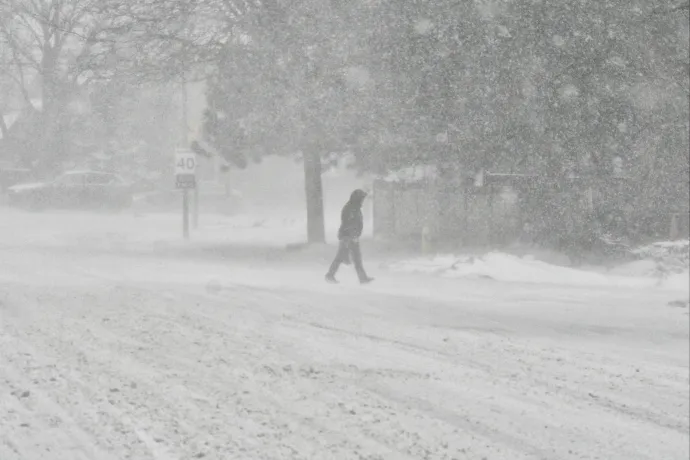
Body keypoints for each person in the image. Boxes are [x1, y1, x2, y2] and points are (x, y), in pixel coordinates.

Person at [325, 189, 374, 284]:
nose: (363, 200)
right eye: (361, 198)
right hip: (347, 237)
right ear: (357, 198)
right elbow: (349, 223)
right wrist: (352, 236)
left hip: (351, 236)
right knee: (342, 257)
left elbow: (355, 223)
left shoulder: (355, 208)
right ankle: (330, 275)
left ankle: (362, 278)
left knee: (355, 258)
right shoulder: (350, 208)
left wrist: (355, 235)